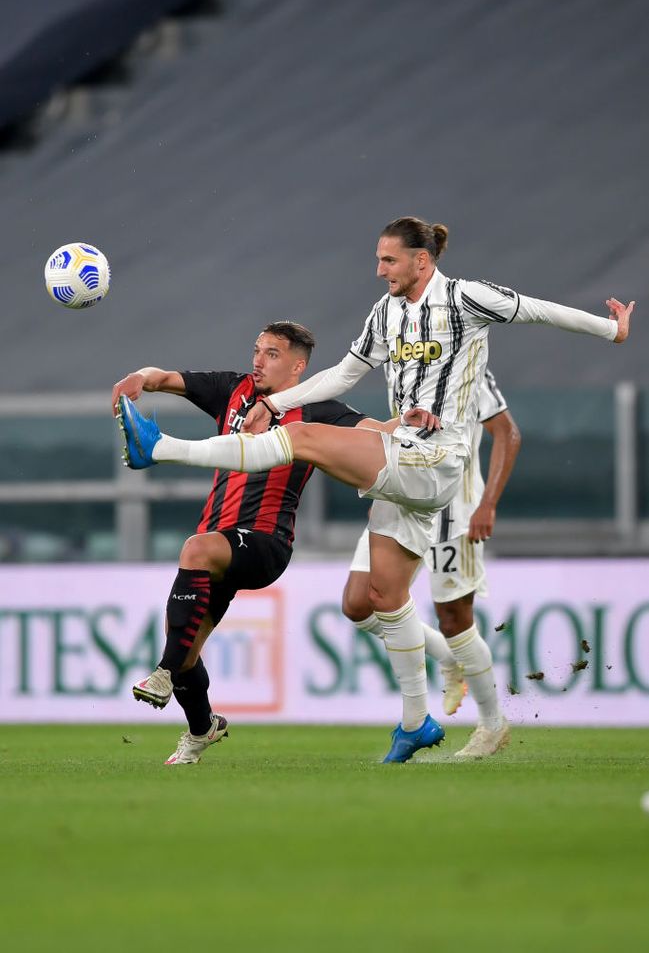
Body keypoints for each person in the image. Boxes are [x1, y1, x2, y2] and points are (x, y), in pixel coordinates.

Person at [116, 216, 634, 764]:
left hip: (436, 458)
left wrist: (613, 331)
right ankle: (417, 722)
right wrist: (277, 402)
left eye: (389, 260)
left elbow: (537, 309)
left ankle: (163, 448)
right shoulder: (386, 313)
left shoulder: (466, 299)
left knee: (303, 438)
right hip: (402, 458)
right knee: (371, 600)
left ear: (422, 260)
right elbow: (343, 374)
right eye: (379, 259)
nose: (379, 269)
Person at [112, 321, 396, 765]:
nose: (258, 360)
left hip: (266, 543)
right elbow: (163, 377)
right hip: (219, 542)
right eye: (257, 350)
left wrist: (413, 422)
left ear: (298, 366)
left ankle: (162, 674)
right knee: (183, 643)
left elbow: (378, 432)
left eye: (272, 354)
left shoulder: (320, 408)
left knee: (194, 549)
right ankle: (201, 728)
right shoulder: (234, 390)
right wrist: (140, 378)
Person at [342, 367, 521, 758]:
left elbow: (507, 432)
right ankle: (447, 659)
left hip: (454, 512)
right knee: (357, 603)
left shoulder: (467, 367)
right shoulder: (401, 364)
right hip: (399, 499)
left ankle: (492, 725)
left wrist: (488, 503)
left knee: (455, 620)